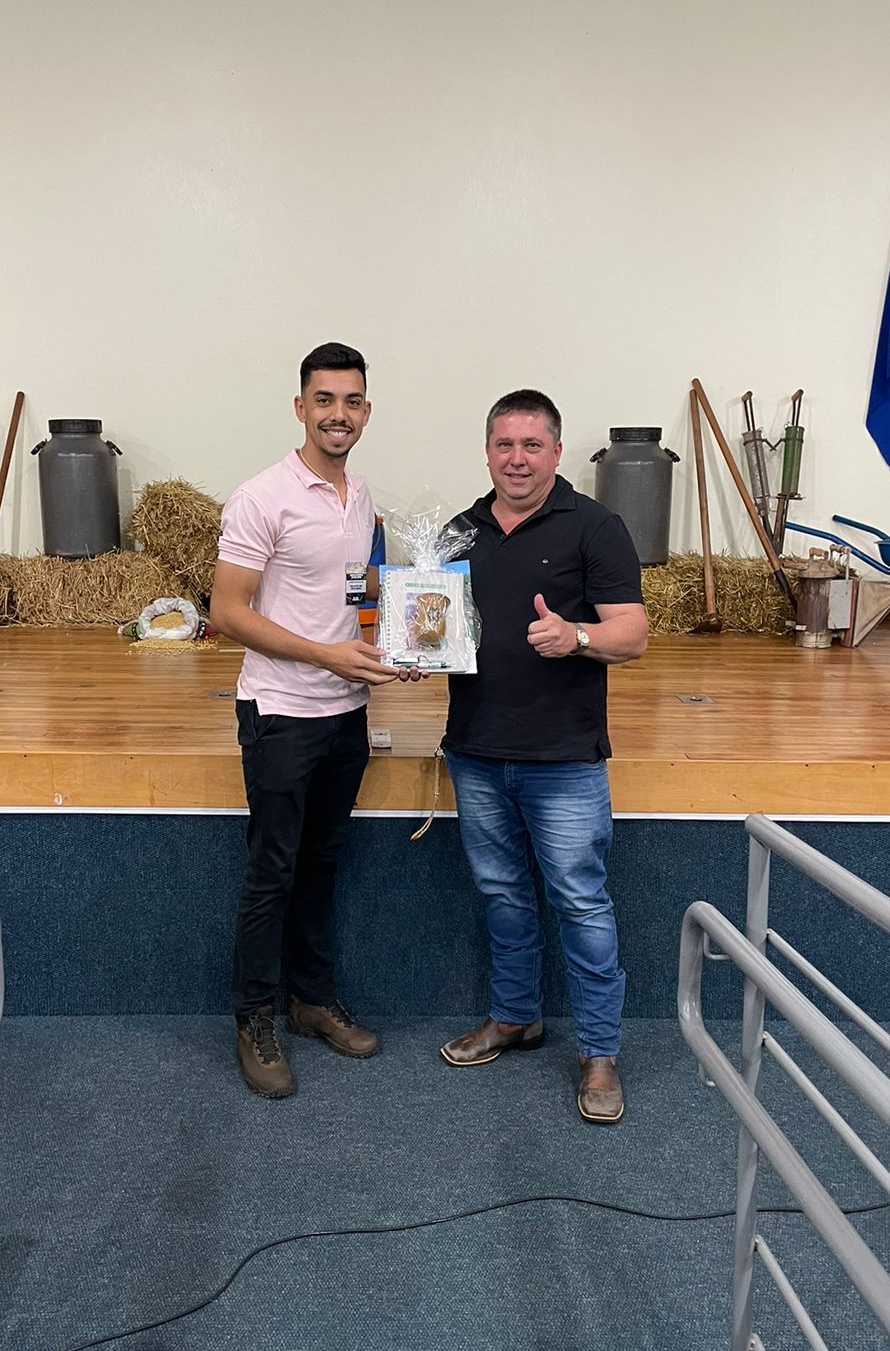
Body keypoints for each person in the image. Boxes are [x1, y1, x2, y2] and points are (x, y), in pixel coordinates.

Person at [439, 389, 648, 1122]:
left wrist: (576, 636)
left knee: (581, 902)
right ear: (487, 452)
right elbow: (433, 621)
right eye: (505, 444)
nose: (518, 459)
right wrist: (416, 651)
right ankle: (515, 1017)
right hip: (475, 751)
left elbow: (633, 634)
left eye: (532, 445)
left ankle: (599, 1053)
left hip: (563, 760)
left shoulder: (596, 526)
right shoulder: (458, 532)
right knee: (502, 895)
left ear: (557, 453)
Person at [211, 342, 410, 1100]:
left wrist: (402, 633)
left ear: (367, 411)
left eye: (352, 401)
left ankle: (312, 1000)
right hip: (282, 713)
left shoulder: (359, 497)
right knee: (272, 872)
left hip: (345, 712)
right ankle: (253, 1019)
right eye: (324, 400)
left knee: (322, 863)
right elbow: (228, 612)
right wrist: (327, 656)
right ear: (300, 408)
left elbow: (354, 590)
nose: (338, 414)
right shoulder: (261, 497)